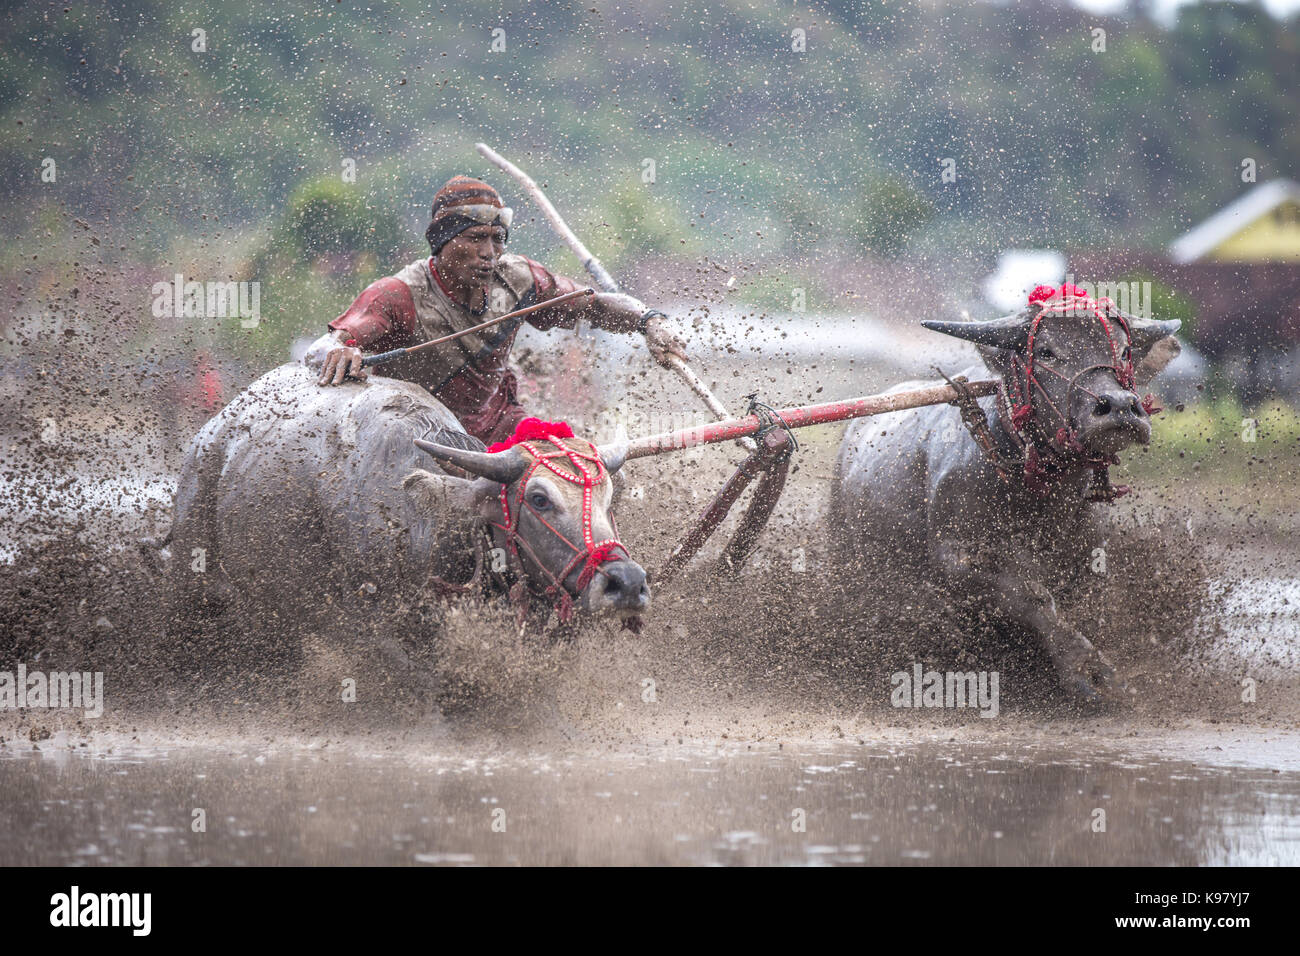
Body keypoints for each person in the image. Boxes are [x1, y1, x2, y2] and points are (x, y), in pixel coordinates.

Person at [306, 175, 687, 446]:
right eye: (475, 239)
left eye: (496, 239)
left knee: (589, 480)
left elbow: (597, 305)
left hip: (501, 429)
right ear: (442, 242)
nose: (489, 253)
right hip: (418, 440)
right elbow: (326, 347)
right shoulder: (398, 294)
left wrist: (649, 321)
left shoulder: (520, 280)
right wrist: (341, 349)